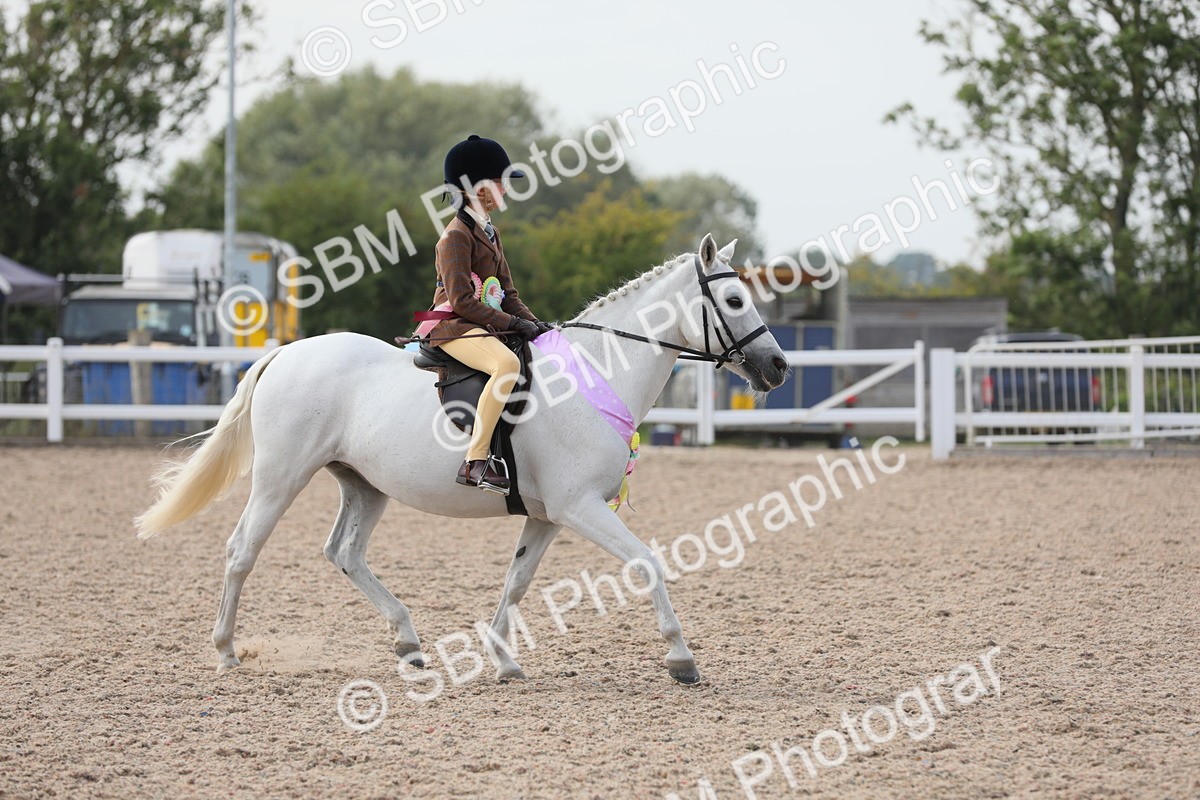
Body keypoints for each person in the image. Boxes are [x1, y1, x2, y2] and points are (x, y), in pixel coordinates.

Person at [421, 135, 552, 493]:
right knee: (506, 365)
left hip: (480, 322)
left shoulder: (490, 233)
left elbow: (507, 293)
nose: (506, 190)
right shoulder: (455, 237)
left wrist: (538, 326)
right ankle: (475, 461)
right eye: (501, 182)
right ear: (479, 190)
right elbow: (462, 300)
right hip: (453, 327)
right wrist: (513, 324)